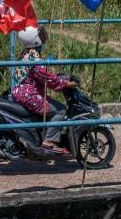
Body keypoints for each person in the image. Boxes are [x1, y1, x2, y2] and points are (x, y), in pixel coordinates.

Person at [10, 25, 76, 154]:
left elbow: (43, 74)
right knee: (60, 111)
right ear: (35, 41)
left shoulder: (26, 54)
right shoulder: (34, 59)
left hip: (22, 92)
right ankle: (49, 142)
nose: (43, 38)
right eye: (41, 36)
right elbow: (47, 78)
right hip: (30, 94)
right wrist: (65, 83)